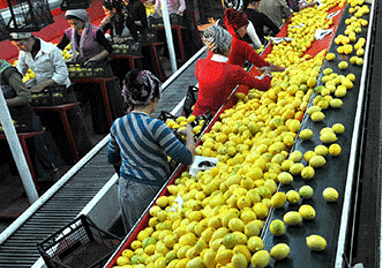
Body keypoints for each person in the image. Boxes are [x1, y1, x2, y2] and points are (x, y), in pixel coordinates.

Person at [107, 69, 195, 228]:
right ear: (154, 99)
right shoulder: (156, 126)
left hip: (125, 188)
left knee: (133, 235)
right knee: (152, 229)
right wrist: (190, 135)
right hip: (149, 189)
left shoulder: (117, 124)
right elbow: (186, 157)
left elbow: (112, 157)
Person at [13, 32, 93, 160]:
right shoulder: (24, 53)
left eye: (21, 44)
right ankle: (69, 158)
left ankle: (87, 155)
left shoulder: (51, 50)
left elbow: (62, 74)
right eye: (17, 46)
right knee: (57, 128)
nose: (20, 48)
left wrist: (43, 85)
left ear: (29, 39)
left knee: (75, 125)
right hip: (47, 95)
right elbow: (19, 71)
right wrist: (12, 81)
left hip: (63, 92)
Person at [0, 58, 62, 182]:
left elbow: (25, 97)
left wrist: (3, 103)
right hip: (10, 121)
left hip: (24, 119)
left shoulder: (9, 73)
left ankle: (50, 181)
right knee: (21, 156)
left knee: (37, 152)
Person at [193, 25, 274, 117]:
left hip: (197, 116)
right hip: (218, 116)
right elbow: (264, 86)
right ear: (227, 48)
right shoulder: (234, 71)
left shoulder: (200, 64)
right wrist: (267, 73)